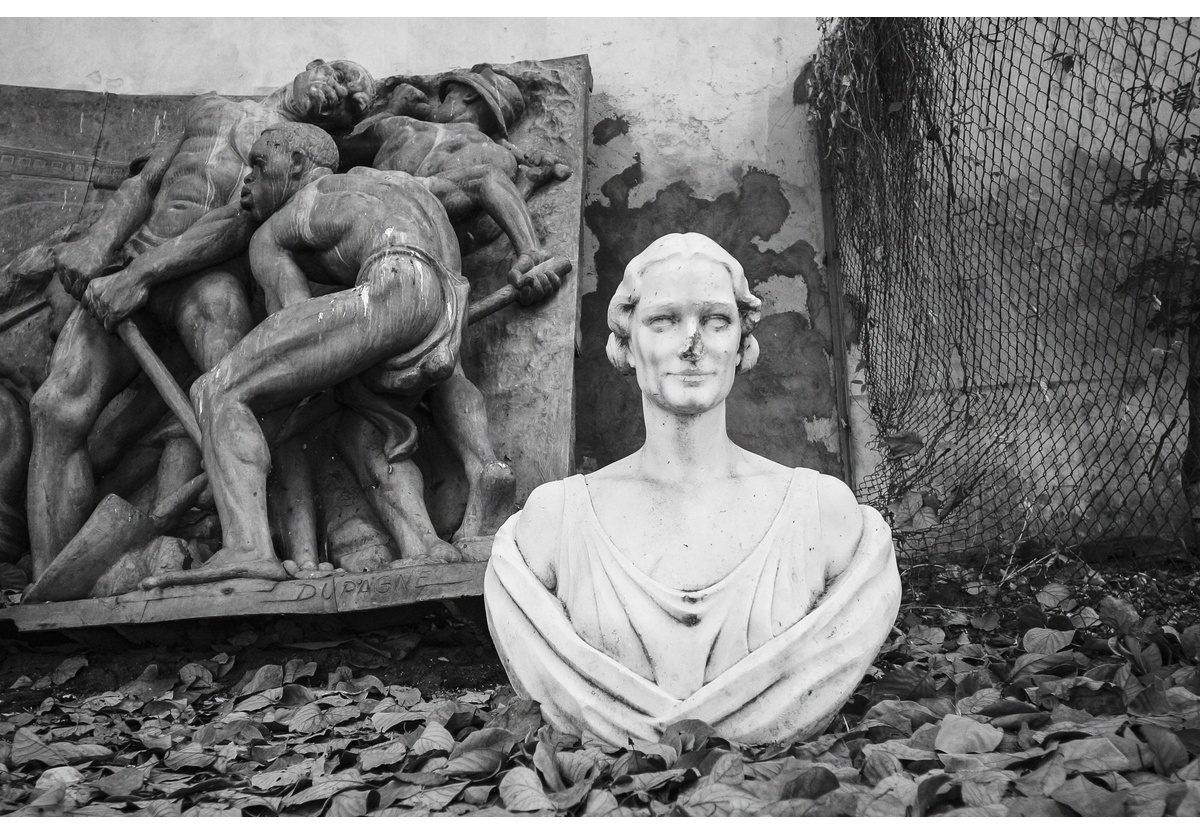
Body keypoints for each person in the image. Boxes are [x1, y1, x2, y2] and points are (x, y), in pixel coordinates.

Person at [484, 233, 902, 745]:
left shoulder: (824, 515)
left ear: (744, 344)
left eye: (715, 320)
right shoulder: (554, 523)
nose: (692, 343)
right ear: (625, 344)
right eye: (664, 321)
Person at [20, 60, 376, 580]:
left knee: (241, 396)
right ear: (313, 67)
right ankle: (53, 579)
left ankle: (261, 550)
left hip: (208, 276)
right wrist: (98, 243)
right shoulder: (209, 107)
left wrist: (139, 277)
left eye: (350, 106)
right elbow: (144, 183)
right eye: (341, 82)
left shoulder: (295, 150)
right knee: (54, 408)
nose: (338, 98)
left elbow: (237, 219)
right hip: (132, 261)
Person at [144, 123, 473, 588]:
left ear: (296, 163)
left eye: (259, 165)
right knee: (371, 428)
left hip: (387, 291)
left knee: (217, 390)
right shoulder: (395, 183)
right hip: (444, 302)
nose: (247, 183)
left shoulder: (279, 226)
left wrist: (273, 400)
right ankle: (424, 544)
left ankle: (248, 548)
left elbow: (297, 320)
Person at [336, 64, 570, 541]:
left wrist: (389, 104)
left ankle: (400, 533)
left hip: (377, 236)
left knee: (364, 405)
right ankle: (483, 463)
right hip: (434, 253)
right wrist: (528, 186)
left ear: (461, 96)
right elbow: (479, 232)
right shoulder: (492, 155)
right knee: (448, 370)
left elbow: (327, 158)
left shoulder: (398, 128)